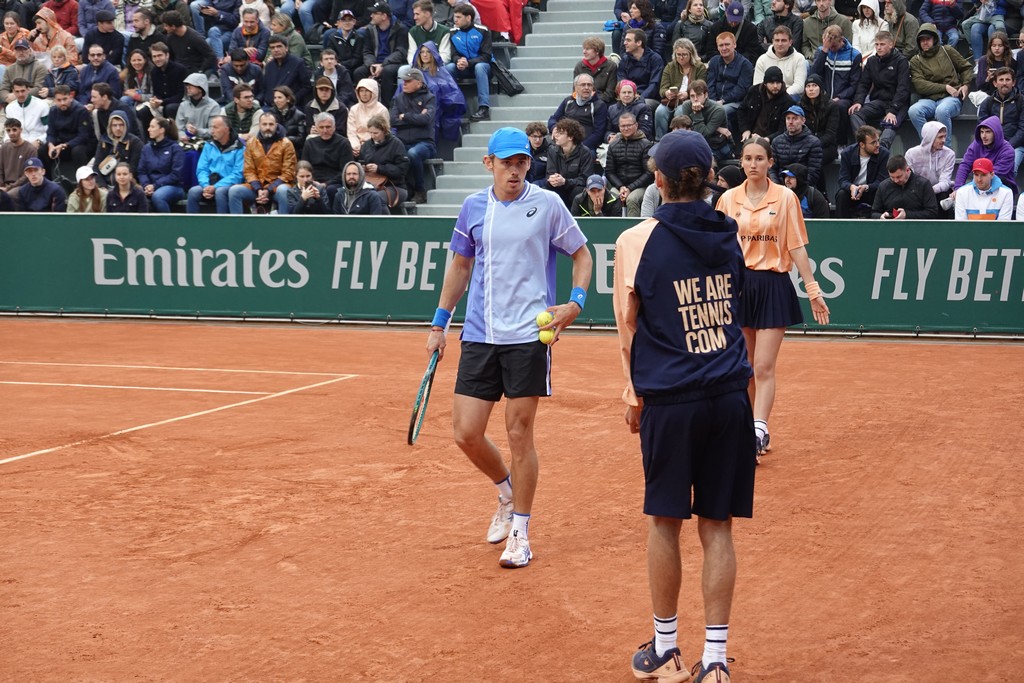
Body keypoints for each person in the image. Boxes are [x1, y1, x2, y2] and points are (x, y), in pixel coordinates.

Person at [614, 129, 755, 683]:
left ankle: (666, 648)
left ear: (659, 181)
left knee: (665, 521)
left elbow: (629, 330)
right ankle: (715, 660)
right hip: (728, 393)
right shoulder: (731, 231)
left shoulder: (636, 240)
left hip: (670, 399)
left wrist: (633, 396)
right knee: (717, 525)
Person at [425, 126, 593, 570]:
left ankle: (520, 531)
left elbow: (582, 253)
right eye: (507, 163)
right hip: (480, 333)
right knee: (466, 433)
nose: (515, 170)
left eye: (521, 162)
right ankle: (505, 491)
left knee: (520, 433)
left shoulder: (548, 204)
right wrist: (440, 323)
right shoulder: (472, 207)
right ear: (490, 165)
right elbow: (460, 267)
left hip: (527, 337)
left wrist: (575, 302)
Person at [716, 135, 829, 461]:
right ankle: (747, 431)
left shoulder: (786, 198)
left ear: (770, 162)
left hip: (773, 285)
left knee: (764, 367)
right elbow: (719, 248)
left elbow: (796, 246)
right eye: (748, 158)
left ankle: (758, 429)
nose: (753, 164)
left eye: (759, 159)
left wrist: (813, 290)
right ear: (742, 161)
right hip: (737, 288)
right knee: (744, 369)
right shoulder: (727, 200)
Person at [906, 24, 972, 145]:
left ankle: (945, 148)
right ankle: (928, 145)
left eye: (928, 39)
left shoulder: (947, 50)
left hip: (951, 99)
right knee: (914, 111)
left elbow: (966, 67)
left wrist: (966, 84)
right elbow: (920, 85)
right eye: (922, 40)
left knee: (942, 111)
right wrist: (945, 87)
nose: (925, 42)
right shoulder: (916, 60)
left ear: (934, 39)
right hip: (929, 100)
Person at [848, 31, 908, 150]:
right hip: (879, 101)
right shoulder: (872, 61)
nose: (878, 48)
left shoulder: (901, 61)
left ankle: (880, 149)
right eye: (876, 45)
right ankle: (866, 142)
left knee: (890, 123)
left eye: (882, 44)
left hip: (898, 103)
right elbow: (863, 84)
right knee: (855, 114)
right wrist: (858, 101)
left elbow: (903, 89)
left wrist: (893, 110)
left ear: (891, 45)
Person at [230, 110, 295, 214]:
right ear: (259, 125)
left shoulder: (286, 144)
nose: (268, 127)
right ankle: (237, 228)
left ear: (276, 125)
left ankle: (284, 227)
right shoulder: (251, 143)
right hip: (257, 187)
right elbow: (249, 170)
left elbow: (288, 173)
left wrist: (268, 190)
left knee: (284, 191)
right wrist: (259, 189)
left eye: (271, 124)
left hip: (277, 187)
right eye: (264, 124)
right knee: (234, 191)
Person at [389, 66, 435, 203]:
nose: (404, 84)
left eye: (408, 81)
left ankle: (420, 190)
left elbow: (426, 119)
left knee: (413, 153)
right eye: (404, 81)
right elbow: (393, 120)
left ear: (419, 82)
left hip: (425, 143)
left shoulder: (429, 98)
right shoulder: (398, 99)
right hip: (402, 141)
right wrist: (415, 118)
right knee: (393, 152)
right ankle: (402, 189)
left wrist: (405, 116)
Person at [809, 24, 861, 139]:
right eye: (829, 46)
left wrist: (839, 96)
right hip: (825, 94)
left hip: (844, 97)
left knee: (839, 106)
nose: (831, 49)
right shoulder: (822, 51)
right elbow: (814, 75)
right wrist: (824, 51)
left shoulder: (854, 55)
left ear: (841, 40)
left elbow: (854, 84)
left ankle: (841, 143)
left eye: (834, 46)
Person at [186, 113, 244, 213]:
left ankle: (223, 226)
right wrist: (205, 186)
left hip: (228, 185)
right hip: (209, 183)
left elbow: (238, 174)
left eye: (215, 127)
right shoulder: (209, 145)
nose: (212, 131)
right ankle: (191, 226)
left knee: (220, 192)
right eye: (211, 127)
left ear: (226, 129)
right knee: (193, 191)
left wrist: (216, 187)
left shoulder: (240, 147)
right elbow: (201, 169)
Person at [355, 1, 408, 108]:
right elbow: (367, 51)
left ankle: (386, 106)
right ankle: (362, 106)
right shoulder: (370, 29)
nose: (371, 16)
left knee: (387, 72)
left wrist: (383, 65)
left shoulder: (400, 29)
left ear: (384, 16)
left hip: (392, 63)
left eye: (375, 13)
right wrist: (371, 65)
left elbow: (400, 52)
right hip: (374, 63)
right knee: (358, 72)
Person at [409, 40, 464, 141]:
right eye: (422, 52)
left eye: (428, 52)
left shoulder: (442, 71)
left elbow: (453, 94)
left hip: (438, 108)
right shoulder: (414, 73)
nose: (425, 55)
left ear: (433, 54)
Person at [535, 117, 596, 208]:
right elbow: (549, 174)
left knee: (578, 192)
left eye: (561, 133)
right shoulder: (553, 150)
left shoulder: (585, 152)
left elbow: (585, 179)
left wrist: (565, 182)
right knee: (545, 191)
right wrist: (552, 179)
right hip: (559, 188)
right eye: (557, 132)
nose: (556, 136)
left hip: (575, 188)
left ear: (571, 137)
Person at [444, 2, 489, 121]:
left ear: (468, 17)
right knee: (449, 68)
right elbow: (453, 54)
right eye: (455, 17)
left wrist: (469, 63)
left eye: (459, 17)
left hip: (483, 68)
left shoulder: (483, 31)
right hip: (463, 67)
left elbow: (486, 56)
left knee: (480, 67)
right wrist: (458, 61)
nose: (455, 20)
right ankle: (454, 105)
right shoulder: (453, 32)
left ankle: (484, 108)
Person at [656, 37, 706, 140]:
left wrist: (687, 94)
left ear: (691, 54)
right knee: (660, 111)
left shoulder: (699, 67)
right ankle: (660, 140)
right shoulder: (670, 67)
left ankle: (679, 139)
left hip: (690, 100)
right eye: (678, 55)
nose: (681, 58)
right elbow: (662, 88)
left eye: (684, 55)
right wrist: (667, 93)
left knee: (680, 112)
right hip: (672, 101)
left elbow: (702, 87)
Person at [606, 111, 654, 216]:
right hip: (619, 186)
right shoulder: (613, 145)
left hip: (640, 186)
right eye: (623, 126)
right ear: (619, 127)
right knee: (613, 197)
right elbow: (609, 172)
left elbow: (649, 173)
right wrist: (621, 187)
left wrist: (630, 188)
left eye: (629, 125)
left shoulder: (646, 145)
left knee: (632, 199)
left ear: (636, 125)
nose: (626, 128)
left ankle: (633, 229)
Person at [978, 68, 1024, 177]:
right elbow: (983, 127)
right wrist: (994, 145)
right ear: (995, 83)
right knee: (982, 170)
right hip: (992, 145)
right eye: (1001, 79)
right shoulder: (987, 102)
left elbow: (1023, 129)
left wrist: (1008, 145)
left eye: (1008, 80)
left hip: (1015, 145)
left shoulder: (1021, 101)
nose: (1004, 83)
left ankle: (1007, 194)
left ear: (1013, 83)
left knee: (1009, 170)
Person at [705, 31, 752, 136]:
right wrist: (713, 102)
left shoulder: (745, 64)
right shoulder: (714, 61)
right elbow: (710, 84)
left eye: (727, 44)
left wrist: (722, 101)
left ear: (734, 45)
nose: (724, 48)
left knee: (721, 111)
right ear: (717, 47)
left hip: (736, 102)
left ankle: (729, 143)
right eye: (721, 45)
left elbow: (741, 89)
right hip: (715, 101)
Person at [835, 124, 888, 217]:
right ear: (862, 145)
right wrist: (851, 187)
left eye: (878, 141)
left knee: (882, 193)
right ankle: (841, 228)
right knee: (842, 195)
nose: (878, 145)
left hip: (872, 191)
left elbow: (882, 181)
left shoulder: (884, 154)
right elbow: (843, 179)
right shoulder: (847, 153)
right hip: (853, 192)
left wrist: (867, 187)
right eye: (873, 143)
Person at [358, 112, 409, 208]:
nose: (373, 136)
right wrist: (362, 168)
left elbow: (402, 170)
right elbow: (360, 161)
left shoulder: (396, 144)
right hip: (370, 184)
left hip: (394, 186)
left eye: (376, 133)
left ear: (384, 131)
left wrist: (379, 168)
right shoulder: (366, 146)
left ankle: (385, 223)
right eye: (370, 133)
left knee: (374, 198)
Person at [953, 116, 1016, 194]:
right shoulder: (976, 145)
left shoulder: (1008, 150)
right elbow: (965, 165)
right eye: (982, 132)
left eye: (988, 132)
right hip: (979, 182)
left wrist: (965, 190)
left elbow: (994, 174)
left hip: (1001, 186)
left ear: (996, 133)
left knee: (993, 178)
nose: (984, 136)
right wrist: (958, 188)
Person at [547, 73, 608, 153]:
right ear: (576, 87)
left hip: (586, 145)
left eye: (589, 85)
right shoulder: (568, 101)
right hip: (564, 142)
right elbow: (553, 118)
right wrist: (554, 127)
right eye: (583, 85)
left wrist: (579, 147)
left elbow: (598, 133)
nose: (586, 88)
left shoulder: (599, 105)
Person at [44, 84, 93, 178]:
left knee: (78, 151)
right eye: (59, 100)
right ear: (54, 100)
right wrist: (51, 145)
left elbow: (83, 136)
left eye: (65, 99)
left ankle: (82, 180)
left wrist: (64, 145)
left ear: (71, 97)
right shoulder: (53, 111)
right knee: (43, 150)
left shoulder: (81, 111)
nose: (62, 103)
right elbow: (51, 132)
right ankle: (47, 181)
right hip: (61, 143)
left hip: (79, 143)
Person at [302, 112, 353, 201]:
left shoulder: (343, 143)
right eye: (321, 127)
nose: (325, 130)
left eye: (328, 127)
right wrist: (312, 181)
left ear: (334, 127)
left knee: (330, 190)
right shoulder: (309, 143)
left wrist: (326, 184)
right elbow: (304, 168)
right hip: (312, 180)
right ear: (316, 128)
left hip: (335, 182)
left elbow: (345, 171)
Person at [903, 120, 954, 209]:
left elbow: (945, 181)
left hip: (938, 193)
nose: (944, 140)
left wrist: (930, 190)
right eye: (940, 137)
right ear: (930, 138)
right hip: (917, 192)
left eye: (945, 137)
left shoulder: (949, 154)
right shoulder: (911, 154)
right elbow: (909, 179)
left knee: (944, 195)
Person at [138, 116, 184, 211]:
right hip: (149, 186)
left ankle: (167, 225)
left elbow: (175, 174)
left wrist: (155, 186)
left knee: (158, 196)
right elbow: (141, 171)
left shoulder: (175, 148)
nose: (148, 129)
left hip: (173, 187)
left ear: (161, 130)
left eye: (152, 127)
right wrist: (146, 185)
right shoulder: (146, 148)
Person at [870, 153, 938, 219]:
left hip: (917, 228)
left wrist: (907, 215)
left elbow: (932, 213)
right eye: (892, 177)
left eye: (899, 177)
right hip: (890, 227)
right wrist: (881, 216)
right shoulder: (883, 186)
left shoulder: (923, 185)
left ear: (907, 170)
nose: (896, 180)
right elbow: (874, 212)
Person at [679, 78, 732, 159]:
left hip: (715, 145)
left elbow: (702, 135)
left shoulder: (718, 109)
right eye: (692, 96)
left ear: (706, 95)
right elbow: (686, 129)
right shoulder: (687, 105)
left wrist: (697, 113)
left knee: (701, 158)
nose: (695, 99)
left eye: (699, 95)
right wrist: (717, 129)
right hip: (694, 143)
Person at [771, 104, 823, 184]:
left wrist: (796, 187)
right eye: (788, 118)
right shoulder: (776, 141)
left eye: (795, 118)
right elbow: (772, 169)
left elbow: (813, 172)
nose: (790, 122)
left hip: (803, 188)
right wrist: (777, 186)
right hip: (780, 188)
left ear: (803, 120)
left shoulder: (814, 142)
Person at [738, 65, 790, 141]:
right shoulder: (754, 91)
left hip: (771, 142)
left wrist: (766, 139)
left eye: (778, 82)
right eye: (772, 83)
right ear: (765, 84)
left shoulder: (787, 101)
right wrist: (745, 130)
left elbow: (783, 130)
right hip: (750, 136)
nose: (775, 86)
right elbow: (741, 110)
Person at [753, 25, 805, 99]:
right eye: (777, 40)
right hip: (768, 96)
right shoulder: (762, 59)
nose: (780, 44)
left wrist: (780, 95)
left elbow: (800, 86)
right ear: (772, 42)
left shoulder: (799, 58)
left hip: (790, 96)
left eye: (783, 40)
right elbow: (757, 85)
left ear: (790, 42)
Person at [619, 27, 665, 110]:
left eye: (628, 40)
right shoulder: (624, 59)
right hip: (628, 95)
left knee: (639, 106)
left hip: (649, 98)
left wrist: (639, 98)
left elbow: (654, 85)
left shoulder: (655, 59)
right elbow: (621, 82)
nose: (624, 43)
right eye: (625, 40)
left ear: (639, 42)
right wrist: (629, 96)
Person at [91, 110, 141, 186]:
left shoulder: (135, 142)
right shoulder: (104, 140)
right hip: (104, 181)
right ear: (110, 126)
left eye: (121, 125)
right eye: (114, 125)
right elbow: (96, 166)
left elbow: (133, 169)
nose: (118, 128)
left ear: (126, 125)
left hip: (124, 183)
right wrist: (102, 185)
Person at [798, 74, 838, 167]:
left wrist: (813, 145)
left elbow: (830, 134)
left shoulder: (831, 106)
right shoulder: (800, 106)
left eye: (814, 85)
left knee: (814, 158)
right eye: (808, 86)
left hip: (827, 146)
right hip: (805, 145)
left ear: (820, 88)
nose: (811, 89)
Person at [159, 10, 216, 75]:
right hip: (178, 69)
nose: (164, 28)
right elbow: (171, 55)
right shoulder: (170, 37)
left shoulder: (195, 38)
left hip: (193, 71)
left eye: (166, 26)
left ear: (173, 26)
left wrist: (201, 70)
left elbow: (210, 55)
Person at [705, 0, 761, 65]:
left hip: (742, 64)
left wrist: (737, 62)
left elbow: (752, 51)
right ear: (726, 13)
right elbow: (711, 50)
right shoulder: (716, 27)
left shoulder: (750, 29)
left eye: (736, 21)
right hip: (721, 64)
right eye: (731, 20)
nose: (733, 23)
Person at [263, 33, 312, 106]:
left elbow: (306, 86)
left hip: (292, 107)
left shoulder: (298, 63)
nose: (276, 50)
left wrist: (292, 99)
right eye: (272, 47)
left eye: (279, 46)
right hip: (271, 107)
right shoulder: (269, 66)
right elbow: (266, 88)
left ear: (286, 48)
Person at [147, 42, 186, 126]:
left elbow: (181, 95)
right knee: (144, 110)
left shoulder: (180, 69)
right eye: (154, 56)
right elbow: (157, 92)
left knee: (170, 108)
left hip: (178, 102)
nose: (157, 59)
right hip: (162, 103)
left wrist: (162, 101)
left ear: (167, 55)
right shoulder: (154, 72)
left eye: (159, 55)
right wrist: (155, 99)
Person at [348, 77, 388, 157]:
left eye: (367, 91)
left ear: (373, 92)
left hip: (376, 145)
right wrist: (356, 146)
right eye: (361, 91)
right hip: (356, 145)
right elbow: (351, 132)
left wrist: (366, 143)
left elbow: (383, 132)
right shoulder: (354, 109)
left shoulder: (382, 110)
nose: (364, 94)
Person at [174, 72, 219, 143]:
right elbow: (178, 128)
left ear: (201, 88)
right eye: (187, 85)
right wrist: (182, 137)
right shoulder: (183, 105)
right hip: (185, 143)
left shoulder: (213, 106)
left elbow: (214, 130)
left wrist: (198, 131)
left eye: (191, 85)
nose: (188, 87)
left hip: (206, 144)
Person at [0, 38, 46, 107]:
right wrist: (7, 97)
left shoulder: (40, 67)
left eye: (24, 49)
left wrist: (19, 96)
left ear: (30, 51)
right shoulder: (9, 69)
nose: (21, 52)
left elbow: (39, 88)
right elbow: (3, 89)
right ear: (14, 52)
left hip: (33, 103)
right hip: (13, 104)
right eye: (18, 50)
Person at [961, 0, 1006, 69]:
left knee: (999, 27)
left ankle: (1002, 53)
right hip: (982, 15)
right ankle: (977, 62)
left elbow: (1005, 3)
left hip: (996, 14)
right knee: (966, 25)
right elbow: (973, 2)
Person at [575, 36, 619, 105]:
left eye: (587, 49)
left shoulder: (611, 66)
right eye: (584, 49)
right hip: (583, 104)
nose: (584, 52)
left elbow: (610, 93)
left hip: (604, 104)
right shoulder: (579, 66)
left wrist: (594, 100)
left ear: (597, 51)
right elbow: (576, 90)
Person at [323, 9, 365, 76]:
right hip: (336, 66)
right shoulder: (332, 37)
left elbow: (358, 59)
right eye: (343, 20)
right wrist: (336, 64)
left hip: (353, 68)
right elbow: (330, 54)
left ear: (354, 22)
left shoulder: (359, 37)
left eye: (349, 20)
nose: (347, 22)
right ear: (338, 23)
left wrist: (342, 65)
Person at [5, 78, 47, 144]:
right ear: (13, 91)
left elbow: (49, 130)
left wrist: (39, 141)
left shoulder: (42, 105)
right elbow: (8, 131)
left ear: (28, 89)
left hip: (38, 141)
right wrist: (7, 141)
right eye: (17, 91)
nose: (20, 94)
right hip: (18, 143)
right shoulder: (9, 108)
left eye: (23, 91)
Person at [0, 117, 36, 195]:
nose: (11, 133)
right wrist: (1, 185)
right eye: (8, 130)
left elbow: (28, 174)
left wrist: (9, 188)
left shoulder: (30, 149)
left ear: (20, 130)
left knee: (9, 196)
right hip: (4, 186)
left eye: (14, 129)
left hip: (22, 186)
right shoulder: (4, 147)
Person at [268, 84, 307, 154]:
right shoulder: (270, 114)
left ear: (288, 99)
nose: (276, 100)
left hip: (293, 151)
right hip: (274, 152)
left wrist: (285, 139)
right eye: (275, 98)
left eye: (279, 97)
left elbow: (301, 140)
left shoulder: (299, 116)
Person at [974, 31, 1014, 98]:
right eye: (994, 45)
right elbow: (979, 86)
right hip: (988, 95)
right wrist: (988, 79)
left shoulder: (1011, 62)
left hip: (1007, 95)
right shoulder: (983, 61)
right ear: (990, 47)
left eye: (1000, 45)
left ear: (1005, 47)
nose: (997, 48)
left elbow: (1014, 84)